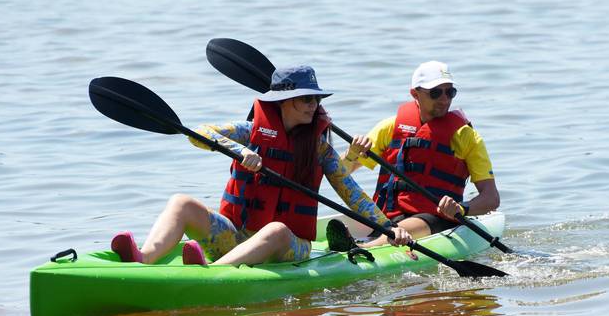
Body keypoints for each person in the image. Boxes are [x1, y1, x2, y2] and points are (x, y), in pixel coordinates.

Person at [110, 65, 411, 266]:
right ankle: (142, 260)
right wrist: (238, 151)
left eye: (315, 100)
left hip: (290, 245)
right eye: (305, 99)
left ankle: (211, 275)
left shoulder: (320, 148)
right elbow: (200, 134)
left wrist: (388, 227)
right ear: (282, 102)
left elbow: (352, 193)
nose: (313, 106)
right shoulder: (251, 131)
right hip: (236, 234)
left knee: (276, 229)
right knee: (181, 202)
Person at [339, 60, 499, 248]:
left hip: (438, 219)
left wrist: (461, 208)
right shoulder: (389, 128)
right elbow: (340, 173)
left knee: (409, 225)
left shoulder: (466, 137)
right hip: (389, 218)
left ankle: (361, 249)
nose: (445, 99)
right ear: (415, 93)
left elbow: (491, 198)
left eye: (450, 92)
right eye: (436, 93)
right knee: (394, 226)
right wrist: (351, 154)